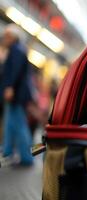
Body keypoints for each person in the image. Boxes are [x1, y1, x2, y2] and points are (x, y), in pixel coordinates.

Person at [0, 24, 34, 165]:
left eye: (7, 36)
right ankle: (7, 151)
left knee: (19, 124)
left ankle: (26, 157)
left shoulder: (16, 50)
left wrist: (9, 87)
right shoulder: (17, 50)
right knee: (10, 123)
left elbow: (14, 71)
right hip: (16, 93)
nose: (4, 38)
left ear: (14, 37)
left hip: (15, 94)